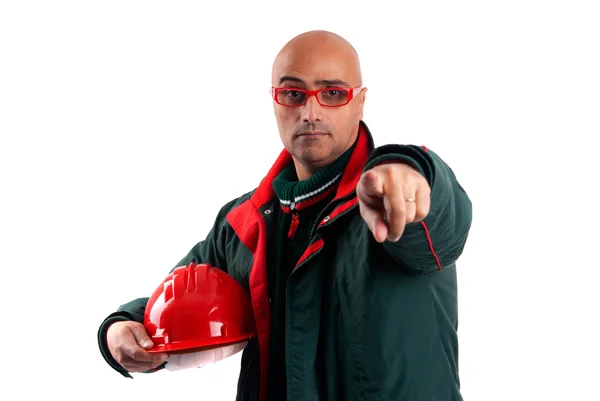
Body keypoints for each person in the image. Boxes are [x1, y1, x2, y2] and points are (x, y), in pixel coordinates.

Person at [97, 29, 473, 401]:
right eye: (293, 93)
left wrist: (412, 173)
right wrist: (122, 327)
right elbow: (180, 296)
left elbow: (445, 224)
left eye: (333, 93)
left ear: (360, 102)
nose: (310, 113)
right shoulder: (243, 221)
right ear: (275, 101)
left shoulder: (392, 196)